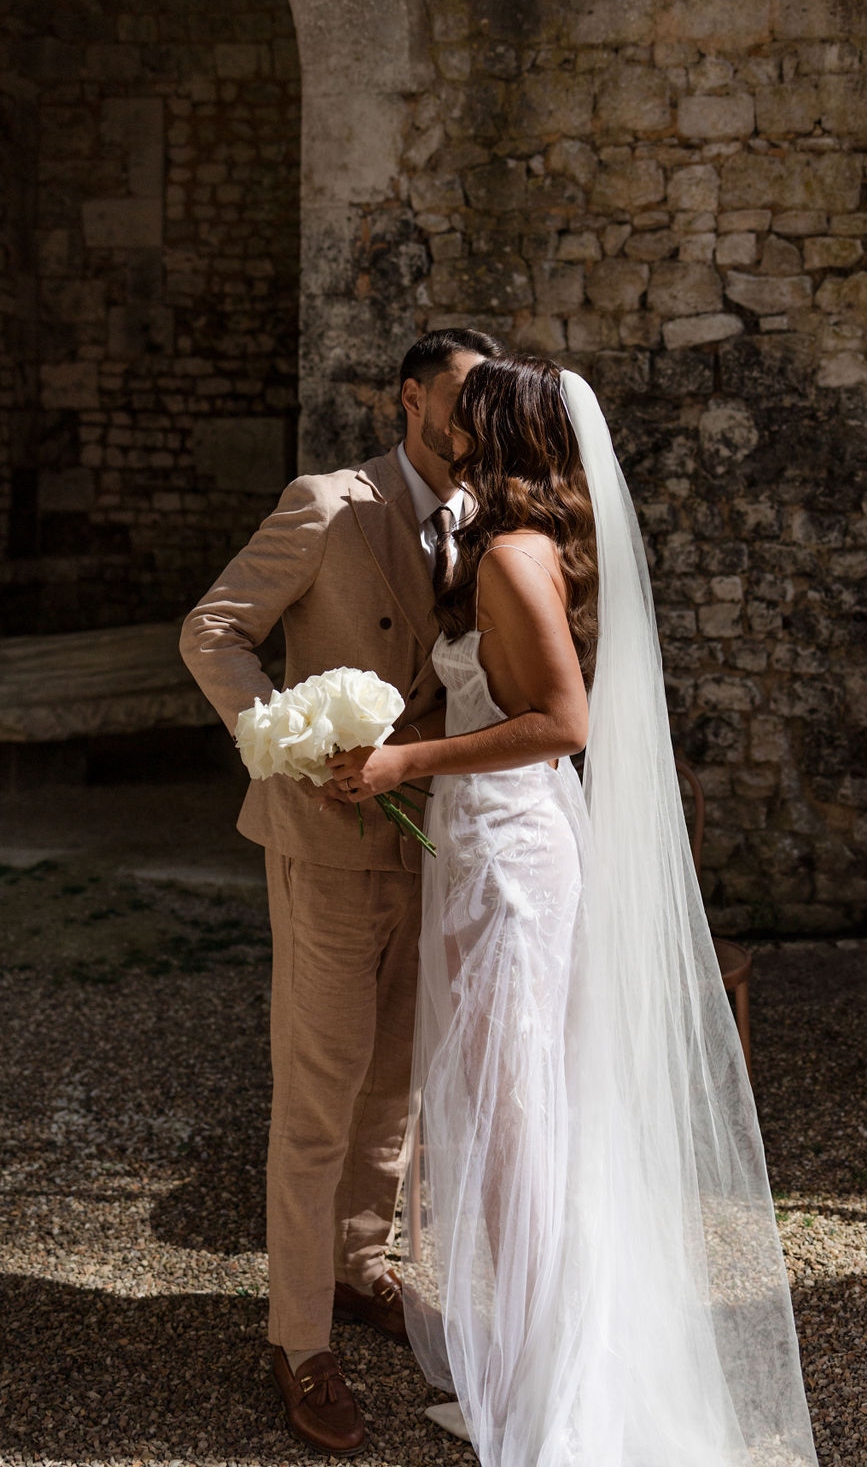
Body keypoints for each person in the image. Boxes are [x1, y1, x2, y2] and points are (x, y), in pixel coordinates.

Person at [330, 356, 820, 1467]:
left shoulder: (509, 553)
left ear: (497, 435)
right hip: (491, 844)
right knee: (519, 1117)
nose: (448, 423)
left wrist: (407, 758)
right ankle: (533, 1345)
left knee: (515, 1128)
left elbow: (563, 721)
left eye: (467, 414)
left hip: (510, 858)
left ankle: (563, 1380)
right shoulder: (516, 546)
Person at [179, 327, 505, 1457]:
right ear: (407, 399)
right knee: (319, 1092)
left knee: (397, 1081)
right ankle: (299, 1339)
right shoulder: (328, 502)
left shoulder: (483, 519)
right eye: (461, 401)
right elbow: (213, 628)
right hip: (324, 840)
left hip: (432, 840)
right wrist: (277, 736)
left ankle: (362, 1267)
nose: (474, 425)